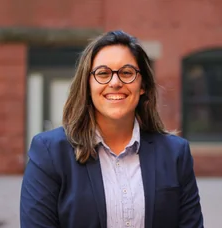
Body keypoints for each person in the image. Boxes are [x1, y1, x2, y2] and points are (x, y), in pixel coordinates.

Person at [20, 30, 204, 228]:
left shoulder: (175, 153)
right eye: (103, 73)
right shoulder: (50, 153)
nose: (115, 83)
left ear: (142, 86)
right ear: (88, 85)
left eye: (126, 73)